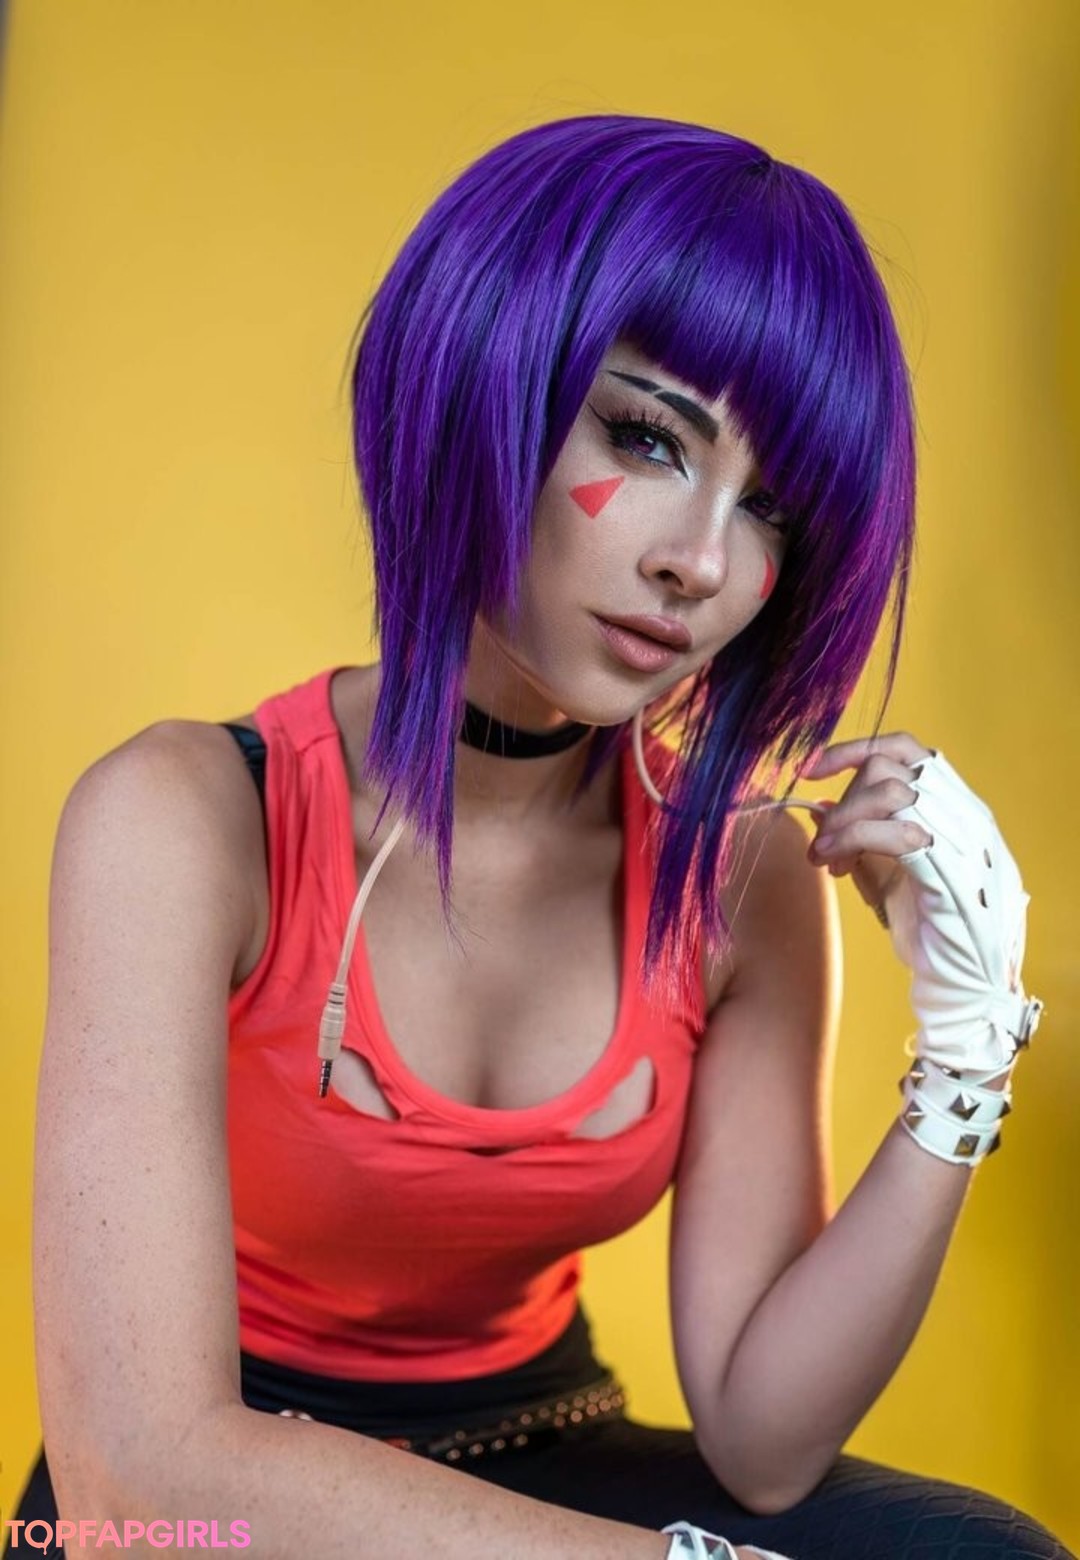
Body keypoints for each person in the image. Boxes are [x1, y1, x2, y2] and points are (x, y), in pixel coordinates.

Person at [10, 114, 1070, 1560]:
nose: (700, 561)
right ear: (480, 385)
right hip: (217, 1511)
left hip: (542, 1454)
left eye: (768, 509)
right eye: (648, 438)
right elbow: (137, 1480)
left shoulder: (741, 876)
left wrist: (967, 1046)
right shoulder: (188, 820)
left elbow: (764, 1447)